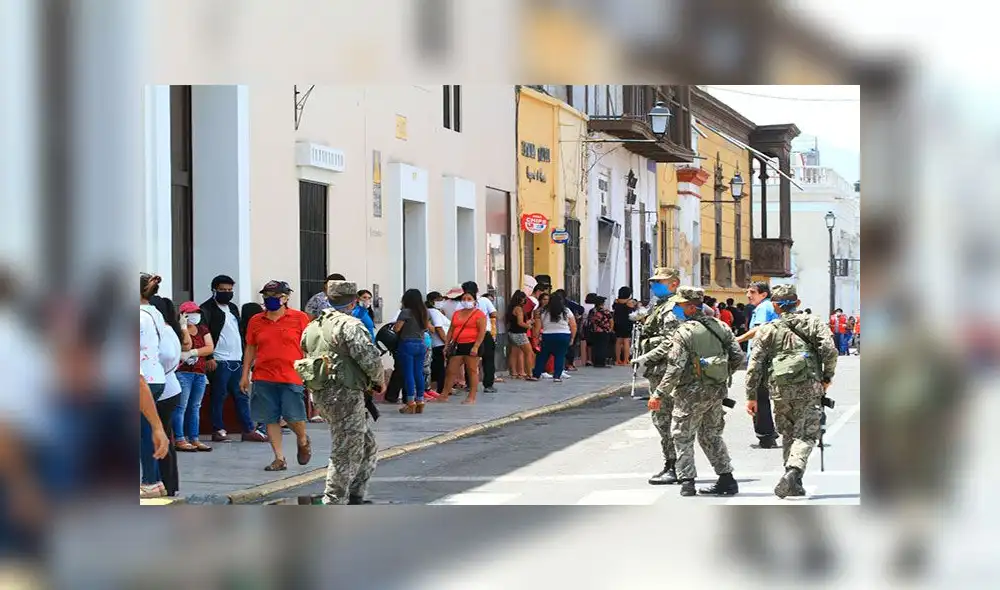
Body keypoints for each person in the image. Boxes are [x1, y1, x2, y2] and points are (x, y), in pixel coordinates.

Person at [646, 286, 744, 497]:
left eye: (680, 306)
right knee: (711, 435)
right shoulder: (720, 326)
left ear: (690, 307)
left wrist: (659, 394)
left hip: (689, 393)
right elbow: (738, 357)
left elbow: (675, 368)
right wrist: (719, 375)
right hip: (716, 391)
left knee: (682, 435)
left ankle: (687, 481)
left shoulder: (684, 332)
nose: (677, 309)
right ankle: (726, 479)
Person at [744, 284, 838, 498]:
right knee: (806, 434)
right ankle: (794, 472)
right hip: (809, 384)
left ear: (775, 306)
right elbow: (830, 351)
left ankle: (793, 482)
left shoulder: (767, 329)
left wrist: (751, 396)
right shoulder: (813, 323)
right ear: (797, 303)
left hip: (779, 387)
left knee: (788, 433)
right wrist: (827, 377)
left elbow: (754, 364)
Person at [298, 281, 385, 504]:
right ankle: (333, 500)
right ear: (353, 301)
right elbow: (368, 357)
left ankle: (356, 492)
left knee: (366, 444)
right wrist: (378, 380)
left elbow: (306, 350)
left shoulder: (314, 326)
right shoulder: (350, 325)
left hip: (323, 393)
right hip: (345, 393)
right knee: (346, 449)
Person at [241, 280, 312, 472]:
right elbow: (250, 347)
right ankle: (279, 458)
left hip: (291, 374)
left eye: (275, 296)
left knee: (292, 415)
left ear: (286, 297)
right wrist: (245, 374)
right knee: (269, 417)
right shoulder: (256, 320)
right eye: (266, 296)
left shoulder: (299, 318)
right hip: (263, 374)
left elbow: (308, 345)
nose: (270, 300)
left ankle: (303, 439)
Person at [199, 275, 267, 443]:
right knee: (219, 395)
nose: (227, 293)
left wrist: (245, 357)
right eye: (223, 290)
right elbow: (203, 333)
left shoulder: (233, 308)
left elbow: (240, 331)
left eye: (230, 290)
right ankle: (218, 429)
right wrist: (209, 356)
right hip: (220, 360)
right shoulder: (206, 309)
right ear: (214, 290)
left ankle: (248, 429)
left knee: (241, 394)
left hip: (237, 359)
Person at [631, 267, 683, 484]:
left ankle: (676, 466)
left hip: (666, 370)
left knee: (666, 420)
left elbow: (671, 340)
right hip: (658, 369)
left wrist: (646, 356)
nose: (654, 286)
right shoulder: (660, 305)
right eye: (653, 282)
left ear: (674, 283)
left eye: (660, 282)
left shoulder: (673, 308)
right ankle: (674, 464)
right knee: (662, 420)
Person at [139, 273, 183, 497]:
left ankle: (150, 481)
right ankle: (155, 481)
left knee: (146, 432)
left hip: (143, 378)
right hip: (156, 378)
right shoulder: (155, 314)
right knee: (149, 431)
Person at [736, 281, 780, 448]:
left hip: (762, 358)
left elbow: (759, 330)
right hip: (769, 356)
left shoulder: (763, 308)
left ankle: (766, 435)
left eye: (753, 292)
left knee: (758, 396)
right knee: (765, 396)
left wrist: (738, 339)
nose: (748, 295)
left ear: (763, 294)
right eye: (748, 291)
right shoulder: (767, 307)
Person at [173, 301, 214, 452]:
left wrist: (194, 353)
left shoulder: (202, 329)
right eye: (191, 313)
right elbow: (186, 345)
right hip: (183, 372)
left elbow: (210, 347)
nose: (195, 315)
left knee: (195, 407)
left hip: (200, 372)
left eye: (197, 312)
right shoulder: (177, 329)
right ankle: (179, 438)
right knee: (181, 406)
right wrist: (183, 327)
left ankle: (194, 438)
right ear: (183, 314)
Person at [439, 291, 487, 404]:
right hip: (458, 344)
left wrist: (476, 346)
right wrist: (447, 344)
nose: (466, 301)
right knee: (451, 370)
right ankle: (444, 394)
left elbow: (482, 332)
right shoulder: (457, 313)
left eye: (469, 299)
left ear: (475, 301)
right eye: (464, 299)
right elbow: (451, 329)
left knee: (471, 370)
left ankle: (471, 397)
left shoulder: (479, 314)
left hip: (472, 344)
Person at [393, 288, 432, 414]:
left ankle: (410, 402)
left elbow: (397, 328)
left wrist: (395, 327)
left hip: (407, 344)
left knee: (408, 373)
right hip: (421, 344)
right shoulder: (423, 312)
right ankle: (420, 400)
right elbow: (426, 327)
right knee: (418, 373)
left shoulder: (405, 312)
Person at [461, 281, 499, 392]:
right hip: (485, 333)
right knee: (488, 359)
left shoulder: (462, 302)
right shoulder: (484, 300)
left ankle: (470, 384)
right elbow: (494, 314)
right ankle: (488, 385)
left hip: (469, 335)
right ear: (477, 290)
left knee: (469, 360)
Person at [531, 292, 577, 382]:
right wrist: (572, 338)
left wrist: (536, 338)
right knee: (560, 356)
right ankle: (557, 376)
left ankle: (536, 375)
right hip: (563, 335)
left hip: (548, 336)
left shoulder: (543, 311)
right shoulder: (566, 311)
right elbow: (573, 325)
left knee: (542, 356)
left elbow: (538, 326)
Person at [425, 292, 451, 392]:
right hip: (439, 343)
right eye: (439, 300)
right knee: (440, 367)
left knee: (437, 366)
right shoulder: (433, 312)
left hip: (437, 343)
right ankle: (441, 388)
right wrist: (446, 342)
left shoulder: (435, 311)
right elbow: (439, 328)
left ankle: (437, 387)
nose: (441, 302)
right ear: (432, 301)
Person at [506, 290, 534, 379]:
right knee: (529, 353)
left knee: (513, 353)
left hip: (512, 332)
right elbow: (520, 323)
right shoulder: (519, 308)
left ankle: (514, 373)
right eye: (524, 299)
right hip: (519, 333)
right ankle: (529, 373)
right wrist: (529, 326)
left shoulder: (511, 308)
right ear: (521, 299)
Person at [586, 295, 614, 368]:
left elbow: (590, 320)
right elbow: (611, 321)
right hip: (604, 331)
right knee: (603, 347)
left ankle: (596, 362)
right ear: (602, 303)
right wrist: (610, 329)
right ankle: (601, 363)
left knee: (596, 347)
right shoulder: (605, 311)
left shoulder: (592, 311)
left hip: (595, 331)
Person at [613, 287, 637, 365]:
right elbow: (633, 310)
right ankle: (625, 360)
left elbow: (614, 309)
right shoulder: (629, 302)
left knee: (618, 341)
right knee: (626, 341)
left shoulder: (616, 301)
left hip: (617, 322)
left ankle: (617, 360)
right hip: (627, 322)